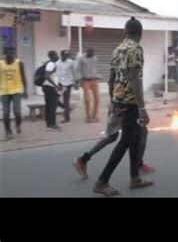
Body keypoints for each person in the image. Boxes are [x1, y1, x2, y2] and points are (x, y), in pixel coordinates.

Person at [87, 17, 154, 196]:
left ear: (126, 32)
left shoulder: (117, 50)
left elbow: (111, 78)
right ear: (140, 33)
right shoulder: (136, 49)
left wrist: (112, 101)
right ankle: (102, 181)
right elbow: (135, 79)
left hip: (118, 100)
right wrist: (142, 107)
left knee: (136, 136)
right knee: (126, 141)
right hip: (130, 102)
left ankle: (135, 178)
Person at [0, 47, 27, 140]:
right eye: (8, 52)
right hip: (4, 91)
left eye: (12, 52)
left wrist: (25, 90)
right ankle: (8, 132)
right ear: (4, 53)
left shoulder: (19, 63)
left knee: (17, 111)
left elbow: (23, 76)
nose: (11, 54)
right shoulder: (1, 64)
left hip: (17, 89)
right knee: (6, 113)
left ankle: (18, 125)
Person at [76, 48, 101, 123]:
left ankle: (94, 115)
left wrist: (98, 76)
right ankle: (88, 117)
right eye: (91, 53)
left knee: (97, 99)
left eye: (93, 54)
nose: (93, 55)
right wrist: (79, 80)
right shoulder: (81, 59)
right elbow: (78, 70)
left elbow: (95, 68)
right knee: (87, 100)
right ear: (87, 52)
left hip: (94, 80)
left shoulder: (95, 58)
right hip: (85, 81)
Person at [43, 50, 62, 131]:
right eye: (56, 55)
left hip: (49, 87)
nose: (58, 56)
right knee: (52, 106)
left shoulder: (52, 64)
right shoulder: (51, 64)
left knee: (49, 106)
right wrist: (55, 85)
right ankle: (52, 124)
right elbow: (47, 76)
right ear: (53, 56)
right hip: (50, 87)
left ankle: (49, 124)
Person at [56, 50, 77, 123]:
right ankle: (66, 108)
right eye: (65, 55)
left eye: (67, 55)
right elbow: (57, 73)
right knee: (56, 99)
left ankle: (67, 117)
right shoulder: (57, 63)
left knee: (66, 100)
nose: (66, 57)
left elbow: (74, 72)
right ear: (61, 55)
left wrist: (75, 82)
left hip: (68, 83)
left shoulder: (71, 62)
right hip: (60, 83)